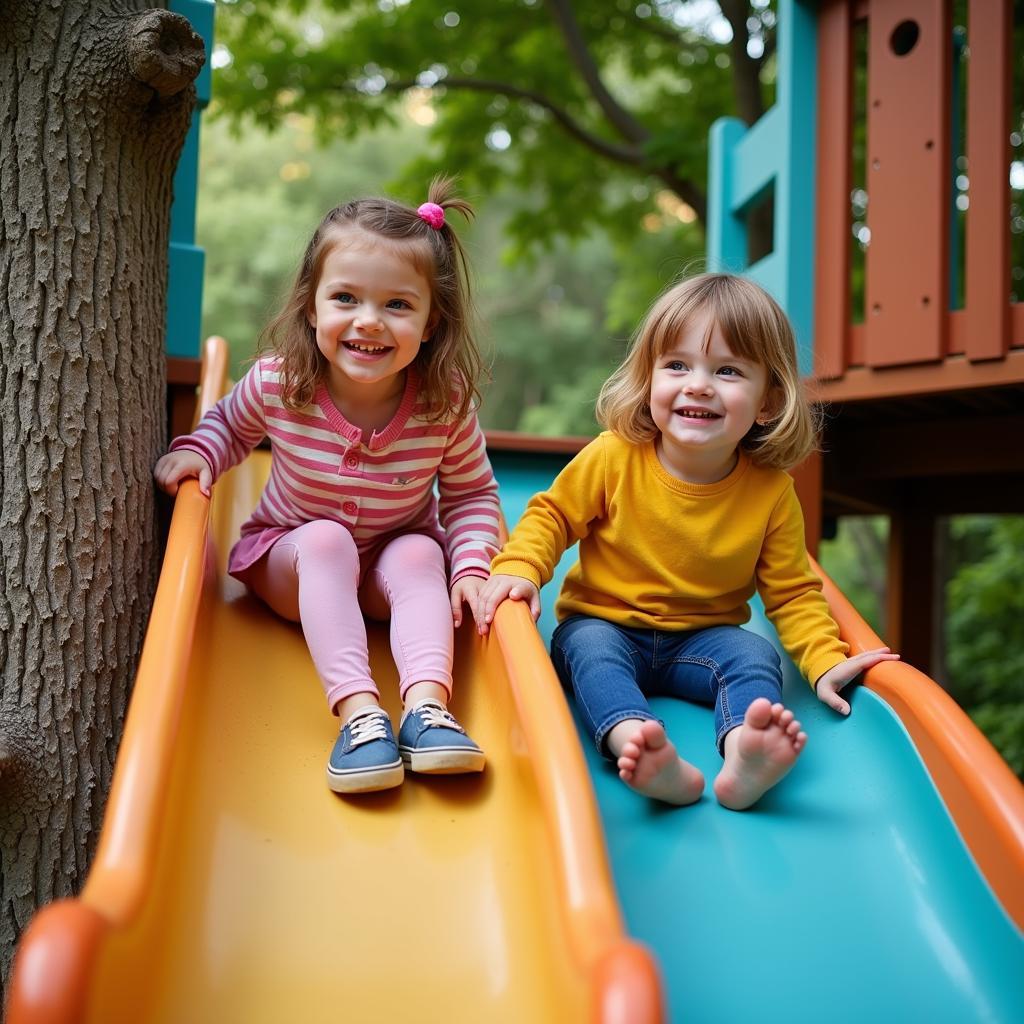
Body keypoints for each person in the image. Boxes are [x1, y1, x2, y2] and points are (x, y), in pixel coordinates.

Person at [477, 272, 898, 810]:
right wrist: (520, 566)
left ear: (767, 402)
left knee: (754, 656)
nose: (698, 384)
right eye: (677, 365)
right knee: (586, 652)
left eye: (727, 371)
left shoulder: (770, 493)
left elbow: (793, 593)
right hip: (606, 623)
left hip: (703, 641)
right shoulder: (614, 457)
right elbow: (552, 515)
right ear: (648, 378)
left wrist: (822, 659)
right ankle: (640, 746)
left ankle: (746, 749)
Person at [155, 178, 500, 795]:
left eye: (398, 305)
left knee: (425, 550)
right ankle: (360, 715)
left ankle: (426, 708)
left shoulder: (444, 407)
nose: (369, 321)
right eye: (346, 298)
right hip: (291, 560)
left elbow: (472, 496)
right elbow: (228, 428)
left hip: (385, 579)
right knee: (325, 541)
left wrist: (472, 565)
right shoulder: (282, 383)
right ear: (312, 307)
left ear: (430, 323)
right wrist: (198, 455)